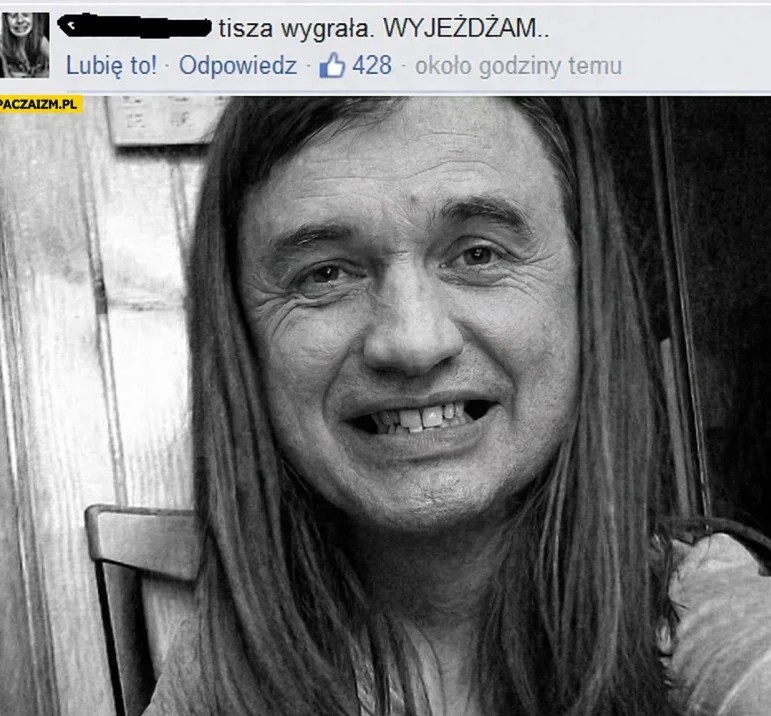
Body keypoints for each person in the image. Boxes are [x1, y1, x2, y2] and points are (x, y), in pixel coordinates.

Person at [143, 97, 771, 715]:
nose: (412, 343)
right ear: (243, 344)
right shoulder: (231, 662)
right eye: (325, 274)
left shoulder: (702, 616)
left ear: (587, 294)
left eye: (479, 254)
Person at [1, 12, 49, 79]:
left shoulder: (41, 41)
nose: (20, 20)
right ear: (4, 19)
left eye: (25, 14)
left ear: (33, 17)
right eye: (13, 15)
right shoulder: (2, 45)